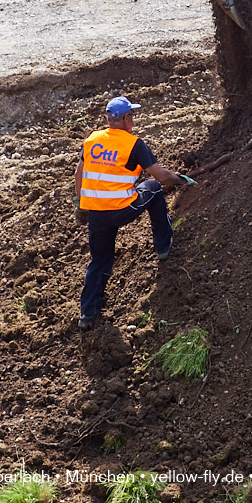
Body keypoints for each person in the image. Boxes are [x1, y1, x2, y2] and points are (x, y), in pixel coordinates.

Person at [74, 96, 189, 330]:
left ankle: (88, 314)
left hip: (96, 214)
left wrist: (79, 204)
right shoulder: (134, 144)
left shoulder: (92, 139)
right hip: (121, 209)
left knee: (100, 260)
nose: (133, 120)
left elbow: (79, 174)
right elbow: (161, 176)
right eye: (132, 115)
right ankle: (163, 246)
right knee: (153, 188)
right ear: (126, 118)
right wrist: (182, 181)